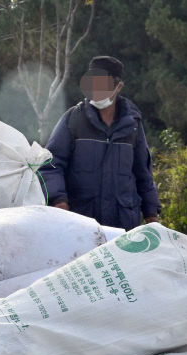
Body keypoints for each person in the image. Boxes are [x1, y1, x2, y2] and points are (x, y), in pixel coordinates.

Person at [39, 55, 161, 231]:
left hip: (123, 226)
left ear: (118, 87)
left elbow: (143, 173)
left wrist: (152, 215)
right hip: (81, 224)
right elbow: (51, 163)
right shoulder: (73, 120)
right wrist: (59, 200)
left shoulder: (133, 125)